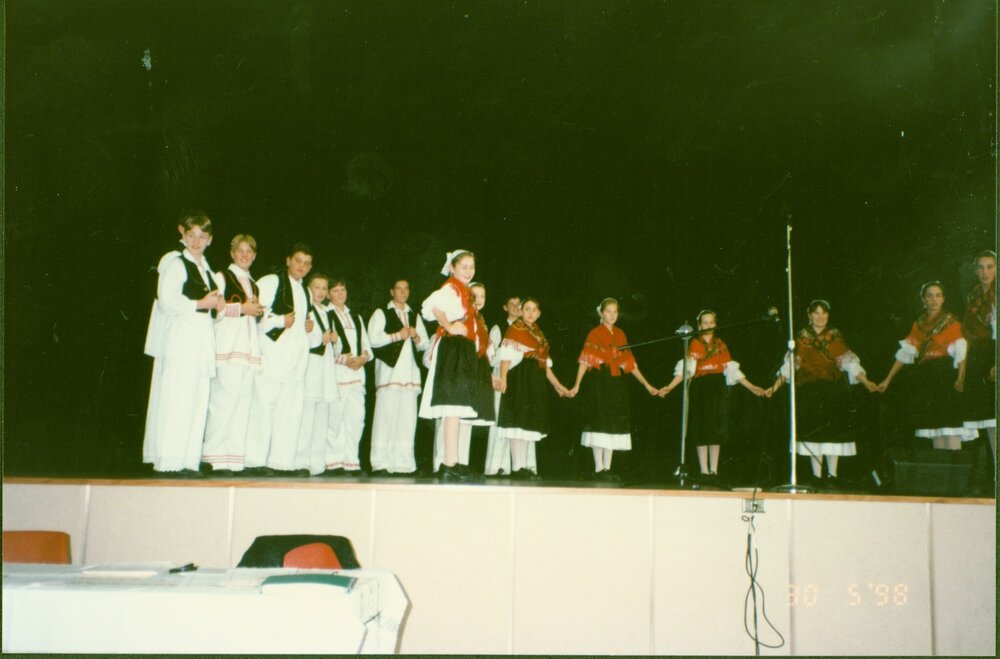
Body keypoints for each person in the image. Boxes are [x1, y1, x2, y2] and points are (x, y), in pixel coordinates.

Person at [143, 211, 225, 475]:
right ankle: (170, 460)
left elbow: (212, 310)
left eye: (202, 236)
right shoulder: (177, 263)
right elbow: (167, 300)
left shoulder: (207, 268)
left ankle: (189, 459)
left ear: (210, 239)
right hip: (180, 344)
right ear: (183, 234)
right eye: (191, 235)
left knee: (196, 400)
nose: (196, 241)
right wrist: (201, 304)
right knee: (178, 399)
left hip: (200, 344)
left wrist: (218, 307)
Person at [764, 300, 878, 486]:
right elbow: (790, 367)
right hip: (810, 392)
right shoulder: (801, 338)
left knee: (834, 434)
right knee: (814, 435)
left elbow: (850, 364)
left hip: (833, 391)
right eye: (816, 313)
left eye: (823, 313)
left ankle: (832, 475)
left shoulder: (835, 337)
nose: (820, 317)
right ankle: (816, 476)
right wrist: (774, 387)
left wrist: (866, 382)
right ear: (809, 315)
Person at [658, 310, 766, 481]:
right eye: (704, 323)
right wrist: (669, 387)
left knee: (716, 429)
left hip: (717, 388)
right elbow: (686, 370)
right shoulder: (694, 344)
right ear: (699, 325)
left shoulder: (721, 344)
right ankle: (703, 470)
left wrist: (752, 387)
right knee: (701, 428)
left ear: (716, 324)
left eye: (711, 322)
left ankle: (714, 471)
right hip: (701, 388)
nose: (707, 326)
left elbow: (732, 369)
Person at [566, 297, 660, 482]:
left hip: (616, 384)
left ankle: (607, 468)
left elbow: (630, 364)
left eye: (615, 312)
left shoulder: (620, 334)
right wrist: (577, 384)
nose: (612, 315)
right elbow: (585, 361)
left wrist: (647, 385)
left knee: (612, 424)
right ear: (601, 313)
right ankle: (598, 467)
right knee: (599, 422)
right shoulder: (595, 333)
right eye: (608, 311)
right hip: (599, 383)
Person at [877, 282, 976, 449]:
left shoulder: (951, 322)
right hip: (927, 379)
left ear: (943, 298)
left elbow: (961, 351)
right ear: (923, 299)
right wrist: (887, 380)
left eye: (938, 295)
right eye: (930, 296)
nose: (934, 299)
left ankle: (955, 469)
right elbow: (905, 354)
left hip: (945, 375)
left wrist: (961, 377)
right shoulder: (919, 324)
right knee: (935, 429)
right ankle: (940, 471)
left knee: (949, 426)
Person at [245, 243, 315, 474]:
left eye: (306, 263)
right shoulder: (271, 281)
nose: (301, 267)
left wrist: (306, 327)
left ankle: (282, 462)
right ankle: (255, 461)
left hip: (295, 362)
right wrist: (278, 321)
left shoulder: (305, 291)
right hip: (272, 357)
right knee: (263, 407)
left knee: (290, 412)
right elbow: (256, 315)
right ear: (288, 260)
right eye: (298, 261)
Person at [419, 249, 484, 482]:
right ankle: (448, 463)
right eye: (464, 266)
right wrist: (448, 325)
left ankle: (452, 462)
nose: (468, 271)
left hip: (461, 349)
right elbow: (430, 306)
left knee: (456, 409)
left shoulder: (462, 291)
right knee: (452, 406)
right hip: (452, 350)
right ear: (453, 268)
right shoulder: (451, 287)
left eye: (471, 267)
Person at [202, 234, 263, 475]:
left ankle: (234, 459)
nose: (245, 255)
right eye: (240, 251)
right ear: (232, 252)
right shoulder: (221, 277)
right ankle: (214, 457)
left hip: (247, 353)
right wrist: (244, 309)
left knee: (241, 405)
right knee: (222, 404)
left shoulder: (253, 283)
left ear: (255, 255)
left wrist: (254, 312)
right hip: (228, 350)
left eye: (249, 251)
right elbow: (215, 310)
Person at [496, 297, 570, 479]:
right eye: (526, 309)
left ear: (539, 313)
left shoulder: (538, 334)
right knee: (517, 421)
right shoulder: (515, 329)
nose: (530, 313)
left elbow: (545, 365)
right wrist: (503, 378)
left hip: (534, 379)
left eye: (533, 310)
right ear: (521, 311)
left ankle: (523, 467)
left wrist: (558, 386)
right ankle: (517, 467)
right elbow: (505, 357)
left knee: (527, 422)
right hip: (519, 377)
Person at [368, 278, 430, 475]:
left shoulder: (414, 315)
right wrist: (397, 335)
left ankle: (403, 463)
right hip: (389, 374)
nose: (403, 292)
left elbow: (425, 344)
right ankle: (380, 463)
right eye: (399, 289)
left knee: (406, 420)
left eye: (406, 289)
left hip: (410, 375)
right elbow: (373, 339)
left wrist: (416, 336)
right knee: (384, 418)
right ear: (391, 291)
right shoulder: (381, 313)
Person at [295, 272, 342, 476]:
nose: (321, 292)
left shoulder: (326, 312)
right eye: (317, 287)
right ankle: (300, 462)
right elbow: (303, 340)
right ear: (309, 288)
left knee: (321, 418)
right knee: (306, 418)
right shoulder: (306, 310)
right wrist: (321, 338)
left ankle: (317, 464)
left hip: (325, 371)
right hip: (311, 367)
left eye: (324, 288)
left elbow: (336, 346)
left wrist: (333, 338)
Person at [326, 277, 373, 474]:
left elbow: (367, 348)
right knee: (335, 419)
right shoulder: (326, 314)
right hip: (337, 375)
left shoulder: (356, 317)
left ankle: (351, 461)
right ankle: (334, 461)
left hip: (356, 376)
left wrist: (362, 359)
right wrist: (344, 360)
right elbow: (326, 347)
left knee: (356, 418)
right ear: (329, 294)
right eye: (335, 290)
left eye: (342, 290)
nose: (340, 294)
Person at [962, 251, 996, 466]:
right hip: (977, 358)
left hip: (994, 356)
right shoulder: (972, 295)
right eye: (981, 267)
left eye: (990, 266)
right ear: (976, 271)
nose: (985, 272)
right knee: (983, 420)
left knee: (994, 420)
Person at [484, 295, 523, 476]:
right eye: (512, 304)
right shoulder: (498, 328)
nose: (516, 307)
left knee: (519, 422)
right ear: (505, 307)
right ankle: (496, 466)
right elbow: (490, 357)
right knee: (500, 420)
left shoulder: (527, 329)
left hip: (521, 379)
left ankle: (520, 466)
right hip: (502, 377)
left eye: (518, 304)